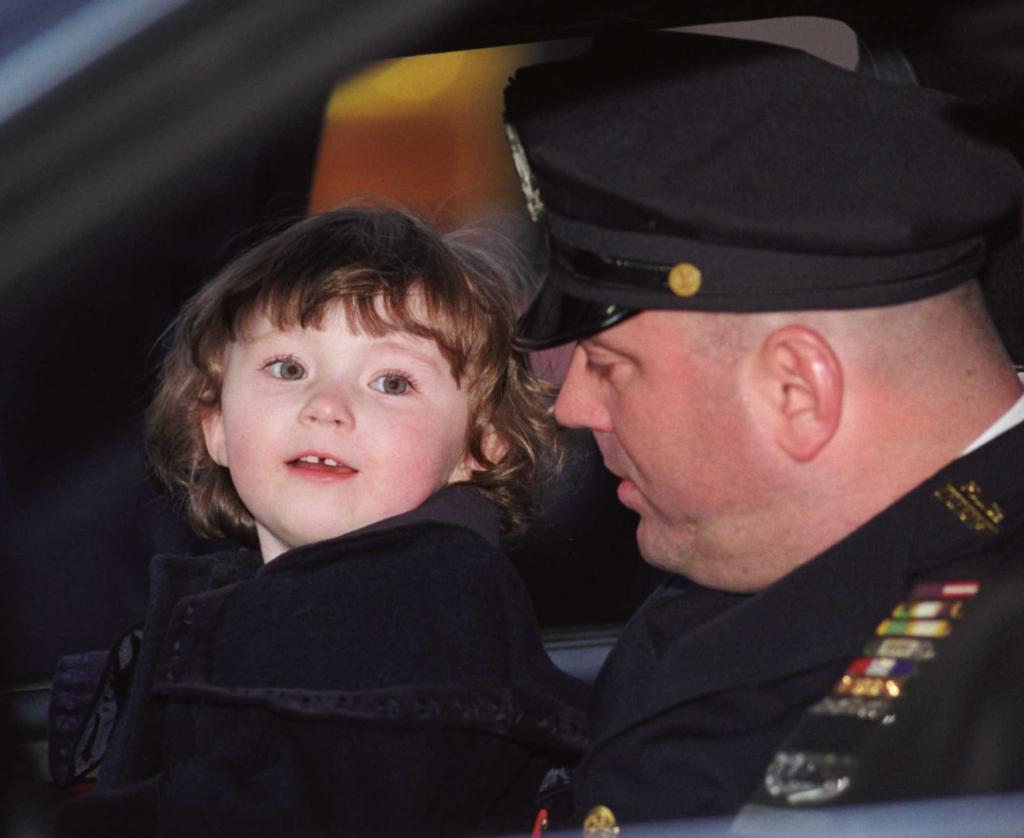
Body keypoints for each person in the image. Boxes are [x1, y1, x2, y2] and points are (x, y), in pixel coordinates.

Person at [502, 29, 1024, 829]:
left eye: (607, 364)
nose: (573, 407)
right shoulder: (810, 541)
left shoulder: (972, 698)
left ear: (795, 390)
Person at [51, 207, 587, 837]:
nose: (326, 407)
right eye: (288, 369)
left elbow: (293, 810)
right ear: (214, 425)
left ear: (481, 445)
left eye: (391, 382)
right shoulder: (254, 597)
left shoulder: (432, 599)